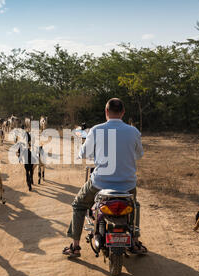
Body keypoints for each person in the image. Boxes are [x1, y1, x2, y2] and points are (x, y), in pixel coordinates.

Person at [63, 98, 147, 258]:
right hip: (127, 185)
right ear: (123, 112)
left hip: (100, 184)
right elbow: (139, 155)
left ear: (106, 111)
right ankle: (135, 241)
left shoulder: (96, 130)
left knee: (78, 205)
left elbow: (84, 154)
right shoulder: (133, 131)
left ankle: (75, 246)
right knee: (134, 206)